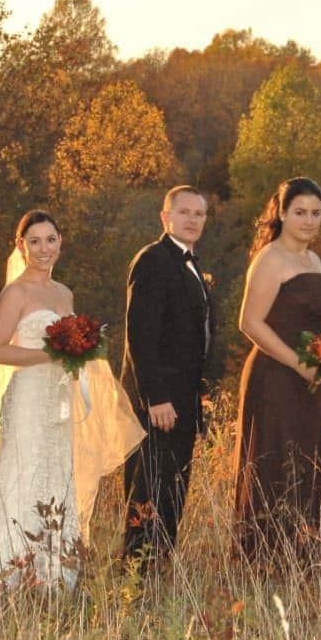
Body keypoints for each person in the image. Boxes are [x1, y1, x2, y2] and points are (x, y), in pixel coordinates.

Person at [0, 211, 144, 588]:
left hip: (58, 400)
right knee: (22, 471)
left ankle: (51, 572)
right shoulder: (16, 292)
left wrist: (79, 352)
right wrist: (49, 356)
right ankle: (7, 568)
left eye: (50, 239)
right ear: (21, 246)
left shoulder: (64, 292)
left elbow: (69, 350)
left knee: (55, 472)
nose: (44, 248)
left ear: (60, 242)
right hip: (28, 396)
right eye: (34, 241)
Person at [232, 178, 321, 562]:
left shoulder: (315, 261)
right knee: (274, 462)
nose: (309, 221)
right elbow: (250, 322)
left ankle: (303, 560)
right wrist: (299, 365)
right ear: (281, 213)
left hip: (311, 380)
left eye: (315, 213)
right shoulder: (270, 259)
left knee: (307, 464)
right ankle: (265, 561)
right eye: (300, 213)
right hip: (274, 376)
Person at [119, 185, 214, 573]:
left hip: (182, 401)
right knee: (149, 490)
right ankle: (133, 578)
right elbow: (140, 334)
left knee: (172, 491)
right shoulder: (153, 260)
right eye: (185, 212)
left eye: (199, 214)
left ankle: (158, 571)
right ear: (166, 217)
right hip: (158, 403)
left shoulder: (190, 264)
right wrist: (155, 397)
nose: (193, 220)